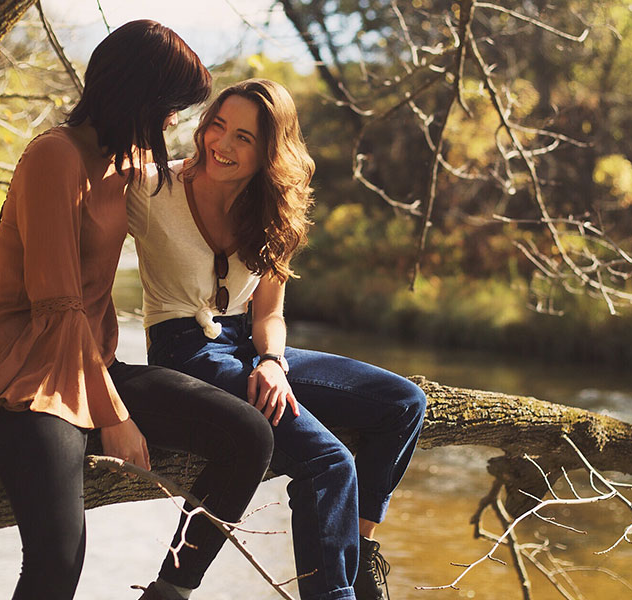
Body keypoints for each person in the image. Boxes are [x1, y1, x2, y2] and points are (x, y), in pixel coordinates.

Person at [0, 22, 274, 600]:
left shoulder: (128, 161)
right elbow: (57, 306)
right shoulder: (54, 157)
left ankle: (170, 592)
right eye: (172, 108)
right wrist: (114, 417)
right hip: (30, 379)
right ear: (139, 97)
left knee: (249, 436)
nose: (176, 121)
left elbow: (196, 183)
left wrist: (266, 184)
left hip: (91, 369)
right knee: (59, 562)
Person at [127, 78, 428, 600]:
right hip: (183, 350)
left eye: (244, 137)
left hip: (247, 343)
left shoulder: (273, 208)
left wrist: (270, 360)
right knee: (328, 461)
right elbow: (86, 210)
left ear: (270, 148)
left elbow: (269, 312)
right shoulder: (152, 188)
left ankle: (357, 557)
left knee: (404, 404)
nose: (222, 144)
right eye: (217, 126)